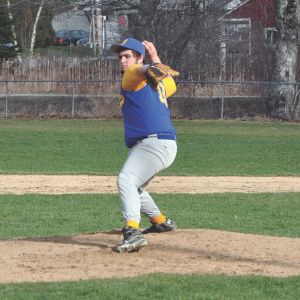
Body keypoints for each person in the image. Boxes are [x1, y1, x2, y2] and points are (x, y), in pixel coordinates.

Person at [110, 38, 178, 253]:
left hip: (154, 143)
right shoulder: (146, 78)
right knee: (135, 186)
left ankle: (132, 232)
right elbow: (170, 85)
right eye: (120, 56)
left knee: (126, 180)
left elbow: (142, 71)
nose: (123, 60)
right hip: (158, 144)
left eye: (128, 55)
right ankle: (161, 222)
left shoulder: (133, 73)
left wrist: (151, 64)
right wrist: (155, 61)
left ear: (139, 57)